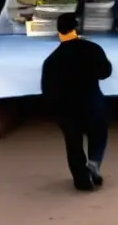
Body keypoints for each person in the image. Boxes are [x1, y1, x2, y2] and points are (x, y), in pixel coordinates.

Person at [41, 13, 112, 192]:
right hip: (91, 101)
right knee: (99, 133)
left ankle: (81, 180)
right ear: (77, 28)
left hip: (65, 108)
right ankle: (94, 162)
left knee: (73, 144)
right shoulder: (92, 49)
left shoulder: (51, 60)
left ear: (58, 31)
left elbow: (47, 91)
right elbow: (105, 72)